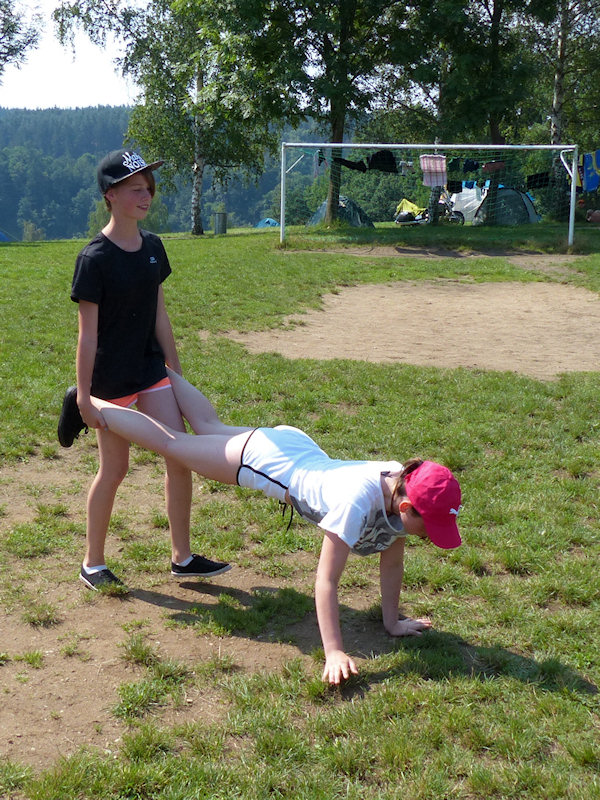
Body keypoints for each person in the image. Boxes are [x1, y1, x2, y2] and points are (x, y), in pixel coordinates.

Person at [58, 369, 462, 685]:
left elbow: (392, 561)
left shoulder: (399, 479)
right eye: (428, 528)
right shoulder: (356, 503)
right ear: (406, 506)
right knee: (173, 444)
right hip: (266, 461)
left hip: (294, 447)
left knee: (208, 424)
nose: (427, 536)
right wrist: (334, 652)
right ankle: (84, 402)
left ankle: (156, 367)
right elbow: (326, 582)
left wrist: (392, 622)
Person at [58, 149, 232, 592]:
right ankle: (92, 563)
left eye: (148, 188)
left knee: (181, 456)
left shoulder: (153, 247)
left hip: (150, 369)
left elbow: (160, 315)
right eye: (135, 188)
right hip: (110, 379)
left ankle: (182, 558)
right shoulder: (94, 258)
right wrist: (84, 396)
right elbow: (87, 337)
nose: (146, 196)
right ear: (110, 195)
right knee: (115, 470)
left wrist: (174, 370)